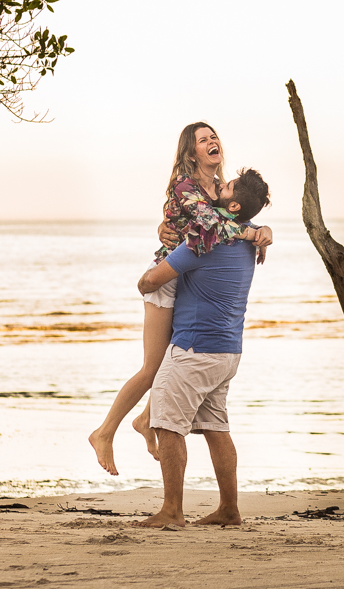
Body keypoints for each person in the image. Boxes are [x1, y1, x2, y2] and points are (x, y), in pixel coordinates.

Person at [88, 123, 273, 475]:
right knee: (153, 367)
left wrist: (265, 230)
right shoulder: (184, 186)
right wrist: (252, 233)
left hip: (193, 282)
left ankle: (145, 421)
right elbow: (212, 225)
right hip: (168, 276)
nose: (211, 142)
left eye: (214, 137)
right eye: (203, 140)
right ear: (192, 153)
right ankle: (104, 432)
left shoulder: (224, 188)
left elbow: (239, 211)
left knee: (172, 362)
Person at [133, 167, 271, 528]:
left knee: (167, 425)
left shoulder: (206, 241)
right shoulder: (248, 239)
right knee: (215, 427)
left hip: (195, 349)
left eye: (224, 188)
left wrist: (163, 260)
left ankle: (172, 511)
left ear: (233, 203)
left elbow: (149, 283)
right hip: (228, 350)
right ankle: (229, 509)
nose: (217, 188)